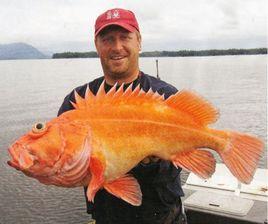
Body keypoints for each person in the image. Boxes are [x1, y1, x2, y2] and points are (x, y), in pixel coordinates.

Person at [58, 8, 184, 224]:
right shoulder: (77, 101)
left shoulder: (165, 95)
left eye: (125, 37)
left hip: (162, 215)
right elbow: (68, 163)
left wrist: (151, 163)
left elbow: (182, 157)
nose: (117, 47)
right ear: (97, 45)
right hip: (107, 216)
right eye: (107, 39)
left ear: (139, 41)